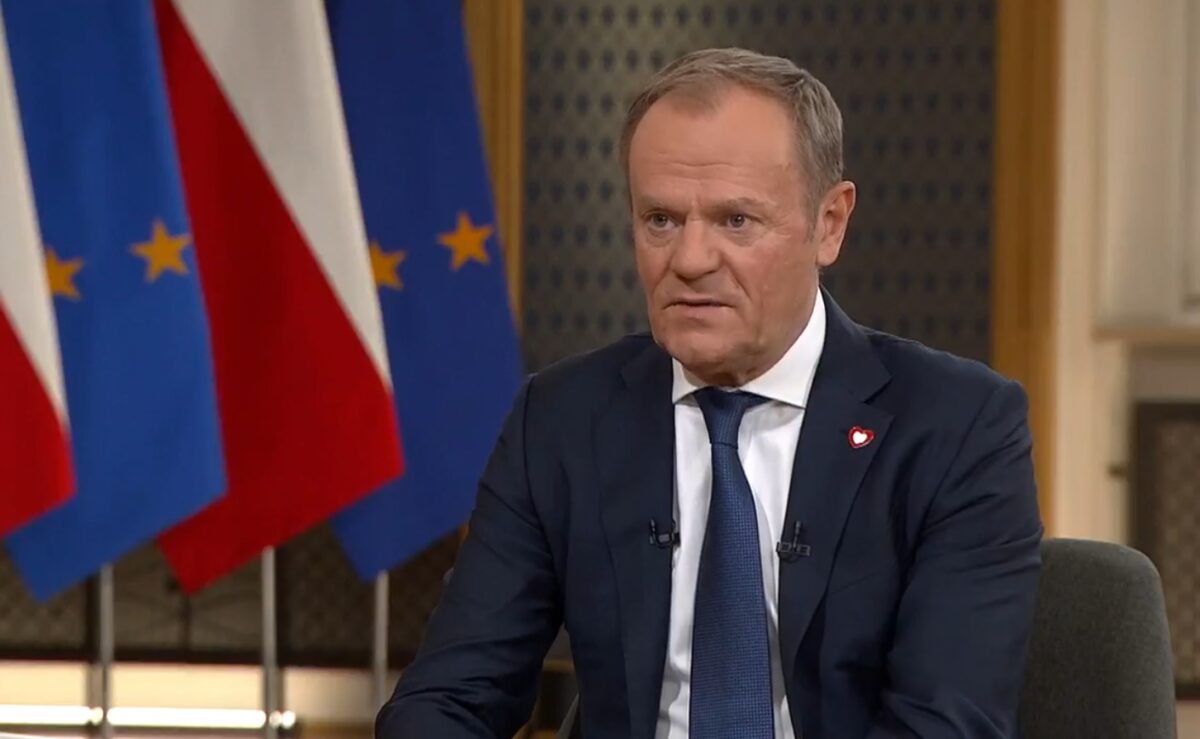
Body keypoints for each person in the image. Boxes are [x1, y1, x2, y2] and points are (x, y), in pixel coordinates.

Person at [376, 47, 1042, 739]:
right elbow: (448, 697)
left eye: (736, 221)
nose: (690, 260)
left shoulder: (957, 428)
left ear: (830, 224)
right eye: (661, 219)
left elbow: (944, 724)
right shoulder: (562, 419)